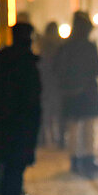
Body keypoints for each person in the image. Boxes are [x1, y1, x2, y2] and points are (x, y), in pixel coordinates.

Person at [0, 21, 42, 195]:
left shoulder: (1, 60)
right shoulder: (26, 62)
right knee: (15, 170)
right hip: (21, 126)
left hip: (4, 124)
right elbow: (32, 98)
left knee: (7, 169)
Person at [57, 11, 98, 178]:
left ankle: (75, 160)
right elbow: (97, 69)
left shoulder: (66, 47)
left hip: (71, 95)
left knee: (74, 128)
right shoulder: (89, 46)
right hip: (88, 93)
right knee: (88, 128)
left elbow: (58, 70)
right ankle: (88, 158)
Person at [36, 20, 65, 149]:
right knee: (58, 113)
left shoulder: (42, 44)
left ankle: (43, 139)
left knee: (45, 113)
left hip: (44, 83)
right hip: (57, 83)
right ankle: (59, 139)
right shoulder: (60, 44)